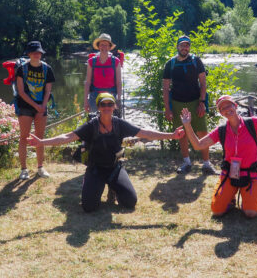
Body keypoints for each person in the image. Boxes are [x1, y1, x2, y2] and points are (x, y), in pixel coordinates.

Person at [29, 93, 185, 212]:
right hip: (95, 169)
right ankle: (93, 184)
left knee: (130, 203)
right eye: (103, 104)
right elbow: (68, 137)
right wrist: (42, 142)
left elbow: (144, 132)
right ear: (98, 107)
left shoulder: (120, 124)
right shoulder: (91, 125)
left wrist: (171, 135)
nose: (107, 107)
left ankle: (113, 189)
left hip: (114, 168)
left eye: (110, 104)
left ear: (114, 107)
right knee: (89, 208)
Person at [179, 87, 257, 218]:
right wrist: (187, 125)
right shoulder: (221, 130)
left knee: (250, 213)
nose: (227, 109)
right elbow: (198, 145)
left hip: (251, 174)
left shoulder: (253, 123)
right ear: (221, 113)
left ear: (236, 106)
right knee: (217, 211)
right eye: (223, 108)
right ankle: (230, 198)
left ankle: (249, 199)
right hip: (230, 174)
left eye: (229, 105)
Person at [163, 35, 215, 175]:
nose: (184, 48)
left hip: (195, 101)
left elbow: (203, 83)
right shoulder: (170, 64)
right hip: (178, 103)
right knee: (182, 134)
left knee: (202, 132)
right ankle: (186, 163)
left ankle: (206, 164)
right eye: (182, 45)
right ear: (177, 46)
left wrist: (202, 102)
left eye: (187, 45)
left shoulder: (196, 61)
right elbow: (166, 88)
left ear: (189, 47)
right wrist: (167, 108)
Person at [16, 40, 55, 180]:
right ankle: (23, 169)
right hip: (25, 106)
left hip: (41, 107)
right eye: (34, 52)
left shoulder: (47, 69)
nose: (37, 54)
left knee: (40, 137)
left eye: (39, 52)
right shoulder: (21, 69)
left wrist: (42, 106)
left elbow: (48, 91)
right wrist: (35, 106)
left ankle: (40, 167)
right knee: (23, 137)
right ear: (29, 54)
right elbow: (21, 92)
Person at [84, 33, 123, 113]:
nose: (104, 47)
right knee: (94, 121)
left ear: (109, 47)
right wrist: (85, 101)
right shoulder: (91, 62)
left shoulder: (116, 61)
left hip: (111, 95)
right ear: (98, 46)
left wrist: (119, 99)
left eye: (106, 45)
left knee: (112, 122)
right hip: (95, 95)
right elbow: (88, 82)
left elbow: (119, 82)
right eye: (102, 45)